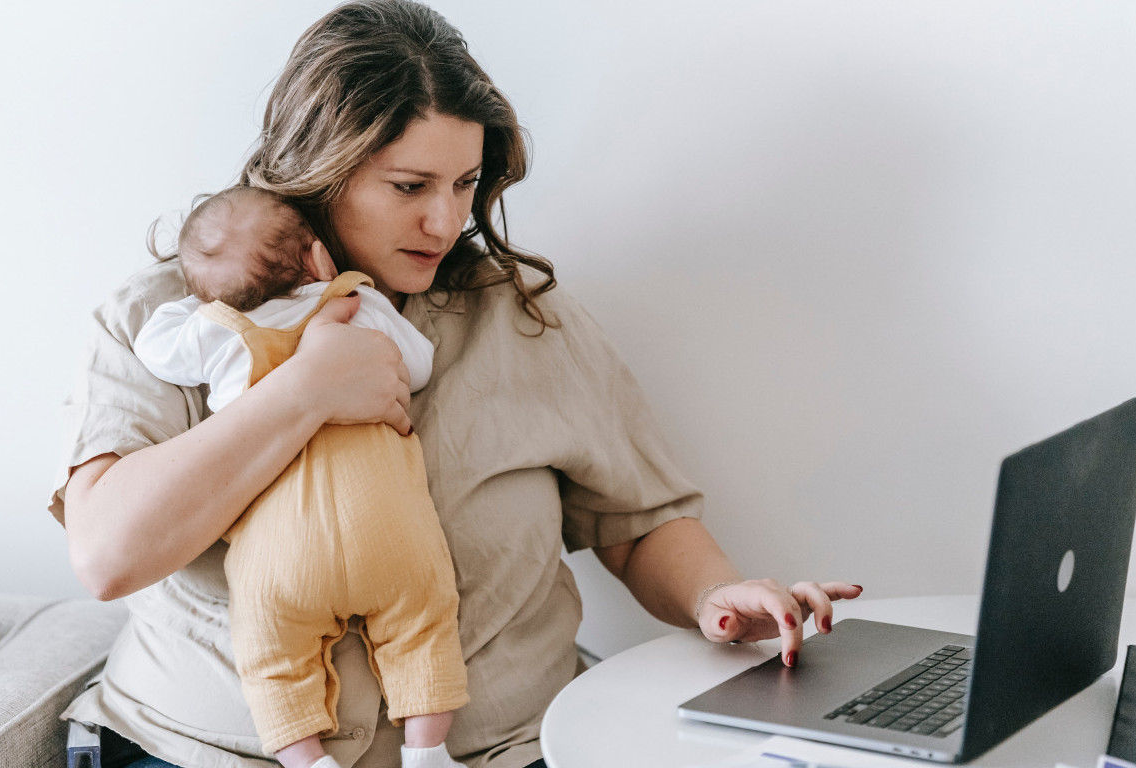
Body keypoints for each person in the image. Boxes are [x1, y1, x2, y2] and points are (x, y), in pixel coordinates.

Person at [52, 2, 862, 767]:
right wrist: (302, 393)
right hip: (207, 750)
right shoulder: (169, 321)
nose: (445, 222)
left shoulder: (524, 321)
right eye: (410, 187)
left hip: (506, 749)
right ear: (317, 171)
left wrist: (717, 595)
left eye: (465, 184)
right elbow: (108, 555)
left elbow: (636, 522)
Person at [132, 185, 468, 768]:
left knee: (271, 658)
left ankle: (307, 760)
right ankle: (428, 751)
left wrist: (202, 301)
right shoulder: (356, 302)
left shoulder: (220, 331)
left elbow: (154, 347)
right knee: (425, 625)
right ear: (317, 258)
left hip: (280, 552)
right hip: (387, 527)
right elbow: (416, 365)